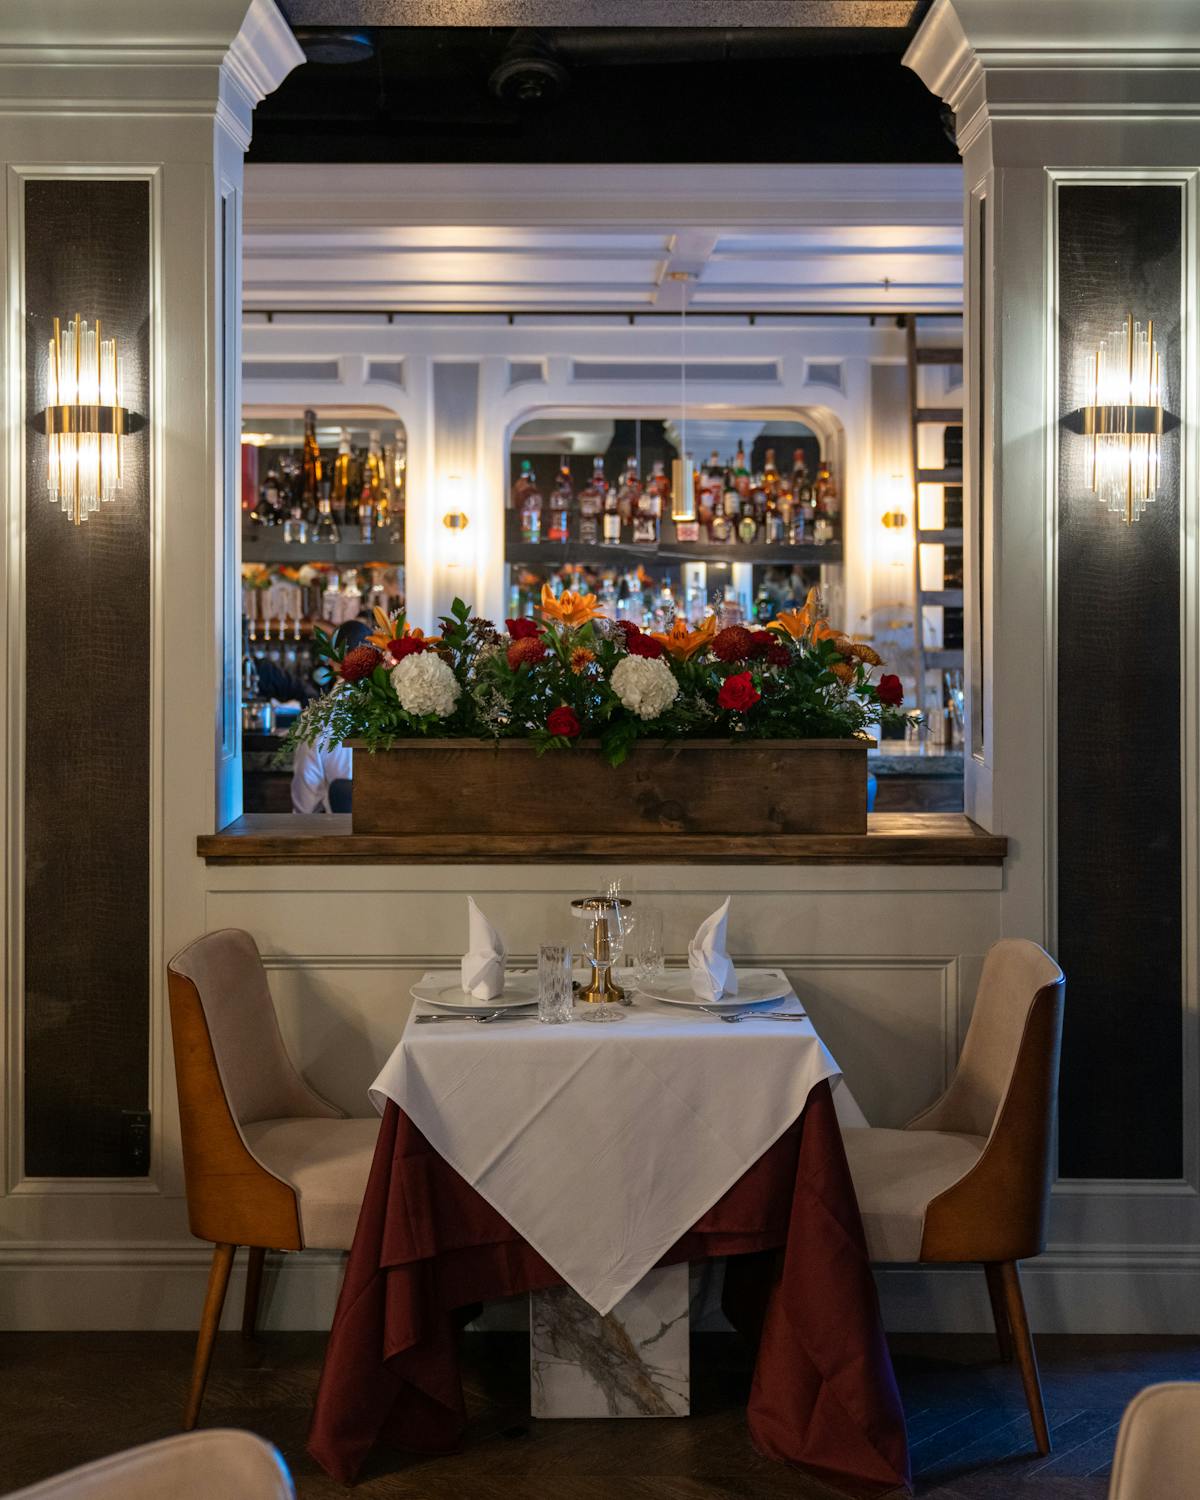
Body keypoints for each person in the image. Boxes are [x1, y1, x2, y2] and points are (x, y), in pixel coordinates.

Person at [289, 619, 368, 814]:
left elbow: (305, 805)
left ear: (332, 660)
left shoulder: (316, 719)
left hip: (339, 837)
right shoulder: (395, 711)